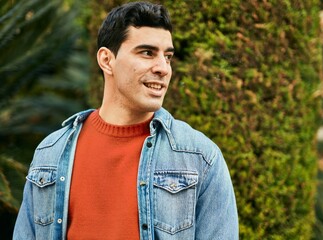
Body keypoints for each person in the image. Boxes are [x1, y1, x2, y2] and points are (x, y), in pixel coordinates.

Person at [13, 1, 238, 239]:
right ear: (106, 60)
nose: (163, 68)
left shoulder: (199, 158)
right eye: (147, 53)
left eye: (168, 56)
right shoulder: (51, 153)